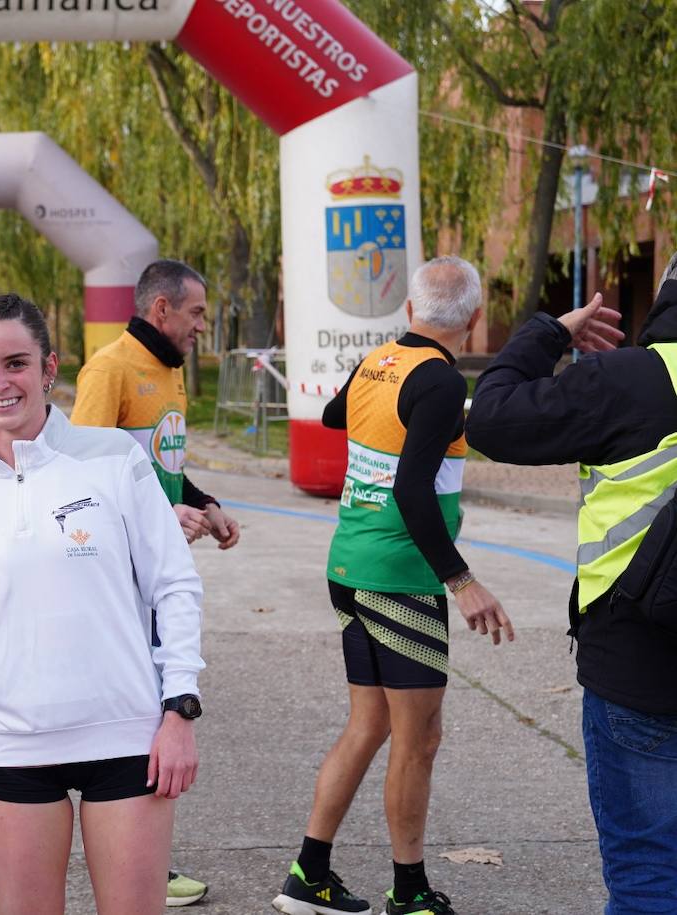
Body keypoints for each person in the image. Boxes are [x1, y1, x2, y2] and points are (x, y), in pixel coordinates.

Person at [0, 293, 205, 915]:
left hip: (128, 739)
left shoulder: (113, 458)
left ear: (49, 368)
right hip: (15, 749)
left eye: (16, 363)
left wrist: (180, 710)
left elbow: (173, 585)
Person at [271, 256, 515, 915]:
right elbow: (412, 489)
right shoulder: (438, 381)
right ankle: (408, 892)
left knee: (370, 723)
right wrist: (461, 581)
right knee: (419, 738)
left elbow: (331, 414)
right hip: (401, 579)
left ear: (410, 311)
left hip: (350, 566)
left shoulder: (380, 360)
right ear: (473, 319)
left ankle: (308, 875)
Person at [465, 270, 672, 915]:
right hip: (638, 666)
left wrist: (548, 332)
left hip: (639, 665)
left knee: (648, 876)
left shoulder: (628, 380)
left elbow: (490, 420)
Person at [71, 258, 236, 907]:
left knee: (152, 710)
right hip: (115, 578)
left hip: (158, 571)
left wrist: (206, 500)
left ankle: (141, 856)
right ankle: (132, 862)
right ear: (161, 308)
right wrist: (160, 514)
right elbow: (80, 475)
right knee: (135, 717)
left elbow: (161, 468)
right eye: (195, 313)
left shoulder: (169, 370)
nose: (202, 325)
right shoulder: (109, 368)